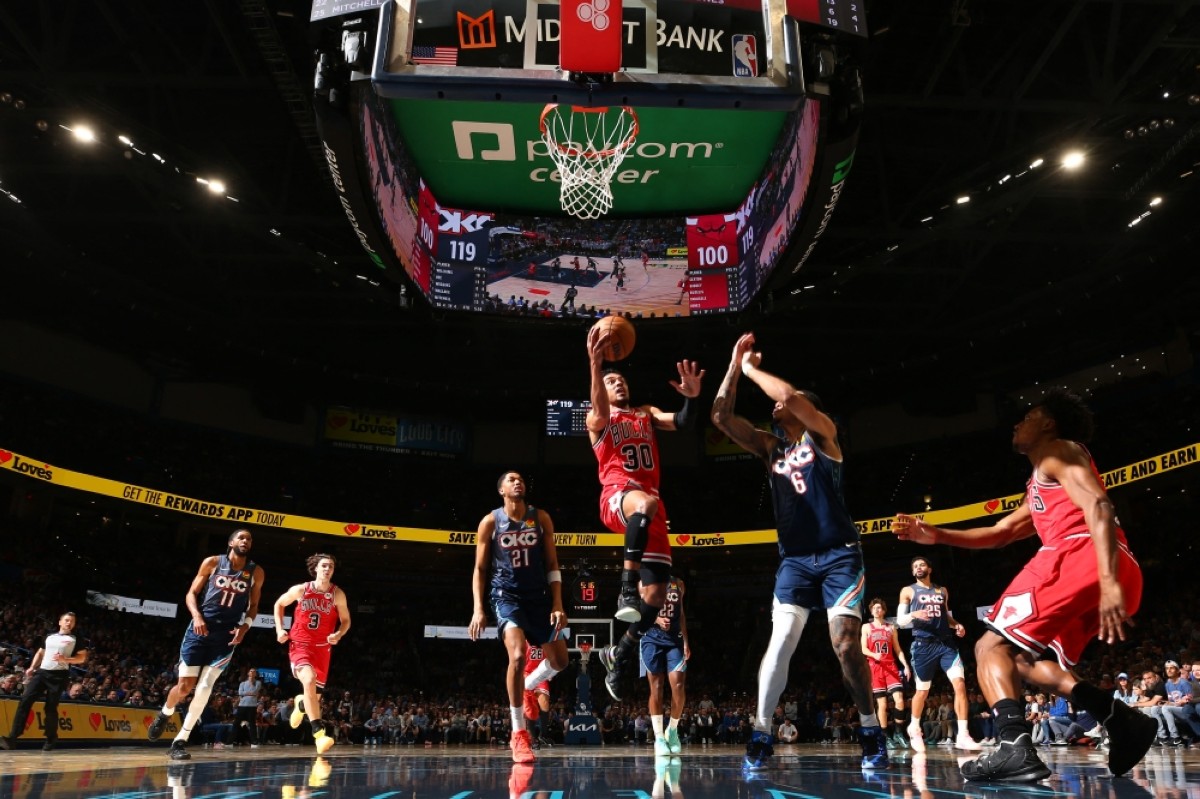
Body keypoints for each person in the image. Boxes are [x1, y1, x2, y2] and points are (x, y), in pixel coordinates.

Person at [893, 387, 1157, 781]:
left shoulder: (1059, 451)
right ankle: (1120, 718)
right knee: (1022, 663)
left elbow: (1100, 505)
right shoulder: (1042, 479)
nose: (1018, 423)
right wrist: (936, 535)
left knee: (988, 646)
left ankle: (1014, 747)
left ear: (1048, 423)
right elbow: (1002, 531)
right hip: (1111, 563)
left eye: (1028, 416)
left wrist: (1106, 579)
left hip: (1080, 554)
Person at [709, 332, 887, 770]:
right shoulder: (771, 448)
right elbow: (720, 417)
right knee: (781, 639)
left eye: (786, 405)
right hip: (794, 561)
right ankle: (761, 731)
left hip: (839, 555)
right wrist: (734, 365)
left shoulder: (824, 437)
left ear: (806, 411)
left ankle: (870, 728)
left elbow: (788, 395)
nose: (776, 405)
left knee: (846, 646)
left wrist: (752, 370)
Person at [586, 323, 704, 702]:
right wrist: (595, 364)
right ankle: (624, 589)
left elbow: (682, 422)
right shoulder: (598, 420)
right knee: (646, 502)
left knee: (655, 598)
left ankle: (616, 654)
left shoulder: (645, 412)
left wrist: (692, 398)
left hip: (649, 509)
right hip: (619, 498)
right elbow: (599, 403)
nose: (618, 383)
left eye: (621, 379)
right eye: (611, 380)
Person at [469, 470, 570, 764]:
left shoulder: (542, 518)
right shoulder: (490, 522)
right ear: (501, 490)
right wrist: (478, 608)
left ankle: (528, 686)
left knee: (561, 661)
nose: (518, 481)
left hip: (538, 597)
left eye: (521, 479)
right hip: (506, 596)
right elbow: (480, 570)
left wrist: (557, 603)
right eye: (511, 479)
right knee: (516, 657)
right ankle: (519, 734)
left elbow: (552, 563)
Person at [147, 528, 265, 761]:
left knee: (205, 686)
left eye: (249, 539)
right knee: (184, 688)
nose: (245, 541)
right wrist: (197, 616)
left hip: (226, 635)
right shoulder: (212, 562)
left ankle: (180, 740)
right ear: (231, 542)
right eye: (241, 537)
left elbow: (253, 606)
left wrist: (245, 627)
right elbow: (191, 593)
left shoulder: (256, 571)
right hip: (201, 628)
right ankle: (165, 712)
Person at [896, 556, 980, 753]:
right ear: (912, 571)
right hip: (923, 646)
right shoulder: (908, 591)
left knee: (960, 684)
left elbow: (946, 616)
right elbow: (900, 621)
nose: (918, 568)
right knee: (922, 691)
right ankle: (914, 727)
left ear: (929, 568)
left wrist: (956, 624)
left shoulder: (942, 590)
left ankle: (963, 735)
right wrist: (913, 615)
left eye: (922, 565)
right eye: (915, 566)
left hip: (945, 644)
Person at [274, 553, 352, 755]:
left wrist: (339, 633)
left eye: (331, 567)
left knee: (313, 697)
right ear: (315, 568)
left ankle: (301, 705)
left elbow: (346, 621)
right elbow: (279, 604)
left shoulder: (337, 594)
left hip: (323, 649)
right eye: (324, 566)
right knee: (308, 680)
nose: (328, 569)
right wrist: (279, 629)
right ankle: (319, 734)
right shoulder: (302, 589)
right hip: (300, 644)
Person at [0, 611, 88, 751]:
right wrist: (32, 667)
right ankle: (13, 737)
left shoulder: (76, 638)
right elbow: (40, 653)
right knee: (25, 700)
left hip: (59, 676)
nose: (69, 623)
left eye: (72, 621)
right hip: (42, 673)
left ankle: (51, 737)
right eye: (66, 620)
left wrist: (65, 659)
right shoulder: (49, 636)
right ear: (60, 621)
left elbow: (82, 658)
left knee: (50, 708)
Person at [641, 575, 690, 757]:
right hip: (651, 638)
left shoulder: (679, 583)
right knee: (657, 687)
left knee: (678, 685)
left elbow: (682, 614)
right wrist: (655, 619)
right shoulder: (643, 581)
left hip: (674, 640)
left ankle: (673, 730)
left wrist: (685, 641)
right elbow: (637, 610)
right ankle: (659, 738)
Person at [860, 597, 912, 749]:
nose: (877, 610)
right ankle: (885, 735)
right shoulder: (866, 627)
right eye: (874, 608)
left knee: (900, 700)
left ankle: (898, 731)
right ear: (871, 610)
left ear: (883, 611)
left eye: (880, 608)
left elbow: (897, 649)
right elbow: (863, 648)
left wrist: (906, 665)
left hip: (891, 666)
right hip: (875, 667)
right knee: (882, 704)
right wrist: (872, 654)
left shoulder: (891, 628)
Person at [234, 668, 262, 747]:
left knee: (252, 724)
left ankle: (254, 742)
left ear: (256, 674)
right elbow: (240, 693)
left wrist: (247, 693)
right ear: (248, 673)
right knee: (236, 723)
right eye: (251, 671)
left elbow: (255, 691)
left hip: (252, 706)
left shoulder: (258, 682)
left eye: (254, 671)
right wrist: (250, 694)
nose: (252, 672)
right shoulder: (242, 683)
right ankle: (229, 742)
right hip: (242, 705)